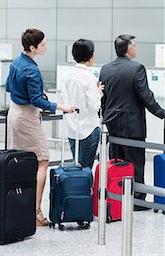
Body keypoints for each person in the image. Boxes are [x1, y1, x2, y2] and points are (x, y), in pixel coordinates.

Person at [6, 28, 75, 227]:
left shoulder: (17, 62)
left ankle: (18, 206)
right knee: (42, 160)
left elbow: (9, 87)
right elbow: (37, 101)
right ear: (33, 47)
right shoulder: (32, 69)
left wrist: (33, 91)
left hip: (14, 113)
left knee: (19, 161)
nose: (46, 47)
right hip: (27, 117)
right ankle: (35, 212)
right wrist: (61, 106)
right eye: (43, 44)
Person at [99, 34, 165, 210]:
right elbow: (145, 96)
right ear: (129, 49)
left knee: (116, 159)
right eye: (135, 46)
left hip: (112, 123)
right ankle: (137, 200)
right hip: (132, 124)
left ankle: (117, 195)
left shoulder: (106, 68)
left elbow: (103, 98)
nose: (136, 49)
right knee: (135, 162)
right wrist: (161, 113)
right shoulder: (137, 68)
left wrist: (106, 115)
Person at [60, 39, 103, 169]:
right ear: (90, 56)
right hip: (88, 129)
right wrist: (98, 93)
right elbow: (94, 105)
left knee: (77, 167)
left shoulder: (66, 76)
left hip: (72, 129)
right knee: (85, 170)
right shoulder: (89, 77)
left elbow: (64, 100)